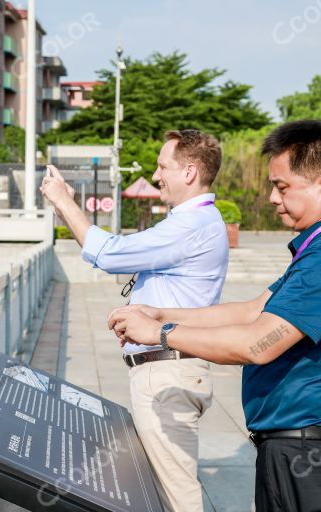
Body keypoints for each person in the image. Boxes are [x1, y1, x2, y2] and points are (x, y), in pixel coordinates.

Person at [108, 120, 321, 512]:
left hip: (313, 457)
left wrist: (161, 333)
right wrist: (158, 310)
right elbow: (252, 310)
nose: (271, 197)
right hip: (297, 450)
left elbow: (257, 342)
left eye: (282, 186)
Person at [40, 129, 228, 512]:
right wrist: (66, 208)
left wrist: (64, 203)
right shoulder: (197, 221)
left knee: (177, 497)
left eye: (163, 166)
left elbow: (109, 253)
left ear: (190, 172)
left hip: (168, 372)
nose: (157, 175)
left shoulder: (190, 226)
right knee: (163, 490)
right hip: (167, 369)